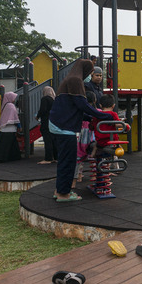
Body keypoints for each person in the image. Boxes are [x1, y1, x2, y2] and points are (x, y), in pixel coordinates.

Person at [49, 59, 113, 202]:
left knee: (65, 160)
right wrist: (103, 115)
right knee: (68, 161)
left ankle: (59, 190)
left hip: (59, 124)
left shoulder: (70, 80)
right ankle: (63, 194)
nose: (89, 75)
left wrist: (91, 118)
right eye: (90, 72)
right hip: (63, 127)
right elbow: (82, 105)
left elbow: (74, 108)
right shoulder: (75, 81)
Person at [0, 92, 21, 162]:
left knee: (3, 144)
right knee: (9, 145)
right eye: (13, 97)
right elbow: (14, 117)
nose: (14, 99)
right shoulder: (11, 106)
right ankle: (6, 157)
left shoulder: (5, 105)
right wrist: (19, 126)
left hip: (4, 128)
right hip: (10, 128)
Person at [89, 94, 122, 159]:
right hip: (111, 140)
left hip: (100, 141)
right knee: (119, 149)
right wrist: (125, 125)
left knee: (97, 142)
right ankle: (115, 162)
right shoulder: (113, 114)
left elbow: (92, 126)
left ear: (100, 105)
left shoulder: (97, 115)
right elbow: (118, 124)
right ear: (113, 106)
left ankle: (93, 152)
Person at [36, 86, 57, 165]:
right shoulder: (54, 99)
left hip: (46, 122)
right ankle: (56, 157)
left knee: (47, 140)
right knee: (53, 140)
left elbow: (43, 109)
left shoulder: (45, 99)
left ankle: (48, 158)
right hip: (53, 122)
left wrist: (38, 116)